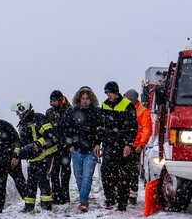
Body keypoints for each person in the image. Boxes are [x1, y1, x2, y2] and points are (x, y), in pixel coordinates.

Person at [12, 99, 59, 213]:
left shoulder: (39, 118)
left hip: (45, 155)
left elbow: (50, 135)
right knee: (31, 183)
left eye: (18, 112)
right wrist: (16, 155)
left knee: (43, 181)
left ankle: (46, 207)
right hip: (33, 158)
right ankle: (29, 207)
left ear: (23, 110)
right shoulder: (22, 125)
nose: (17, 115)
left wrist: (38, 143)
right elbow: (20, 142)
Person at [60, 86, 102, 211]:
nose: (85, 101)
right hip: (76, 150)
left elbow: (99, 130)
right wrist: (69, 145)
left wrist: (97, 143)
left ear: (91, 99)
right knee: (79, 177)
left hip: (91, 150)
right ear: (79, 99)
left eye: (87, 98)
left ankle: (84, 201)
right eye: (83, 98)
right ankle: (83, 197)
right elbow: (64, 129)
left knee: (87, 177)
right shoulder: (71, 112)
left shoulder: (96, 112)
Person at [99, 82, 138, 211]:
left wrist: (128, 144)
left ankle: (122, 202)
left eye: (110, 92)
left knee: (123, 175)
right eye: (106, 93)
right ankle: (110, 198)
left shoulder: (127, 105)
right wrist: (98, 142)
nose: (108, 95)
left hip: (122, 144)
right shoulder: (105, 104)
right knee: (106, 171)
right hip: (109, 144)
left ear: (116, 92)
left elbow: (133, 127)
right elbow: (101, 126)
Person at [124, 89, 153, 205]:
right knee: (127, 171)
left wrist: (141, 145)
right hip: (128, 144)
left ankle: (132, 195)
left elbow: (146, 130)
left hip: (135, 146)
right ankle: (127, 194)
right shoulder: (132, 109)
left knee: (132, 172)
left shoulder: (143, 112)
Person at [45, 90, 72, 205]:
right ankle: (56, 195)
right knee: (54, 172)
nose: (52, 103)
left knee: (65, 172)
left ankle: (65, 196)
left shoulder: (69, 110)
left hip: (66, 146)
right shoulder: (49, 112)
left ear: (60, 100)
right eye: (51, 101)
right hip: (53, 147)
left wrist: (70, 143)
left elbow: (72, 127)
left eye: (54, 101)